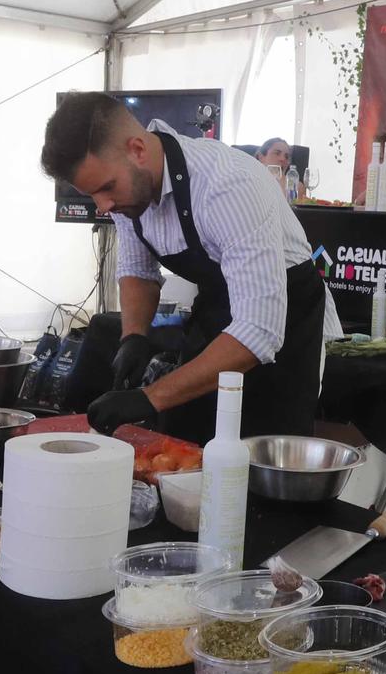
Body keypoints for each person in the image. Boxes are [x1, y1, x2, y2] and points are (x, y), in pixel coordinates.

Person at [40, 92, 335, 443]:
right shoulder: (128, 191)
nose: (102, 206)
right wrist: (133, 336)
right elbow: (138, 271)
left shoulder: (225, 186)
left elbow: (258, 331)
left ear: (138, 149)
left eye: (106, 188)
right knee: (183, 446)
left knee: (254, 460)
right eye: (92, 195)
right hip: (217, 313)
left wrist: (150, 397)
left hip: (285, 327)